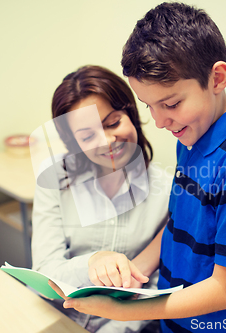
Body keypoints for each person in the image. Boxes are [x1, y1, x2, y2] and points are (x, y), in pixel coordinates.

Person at [56, 3, 226, 333]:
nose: (160, 122)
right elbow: (181, 224)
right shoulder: (193, 139)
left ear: (217, 78)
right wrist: (133, 274)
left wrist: (123, 311)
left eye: (172, 103)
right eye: (149, 106)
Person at [31, 65, 171, 332]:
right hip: (53, 319)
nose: (107, 140)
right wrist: (92, 262)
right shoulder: (55, 180)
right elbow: (46, 273)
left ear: (131, 115)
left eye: (114, 123)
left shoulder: (165, 191)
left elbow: (153, 288)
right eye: (87, 136)